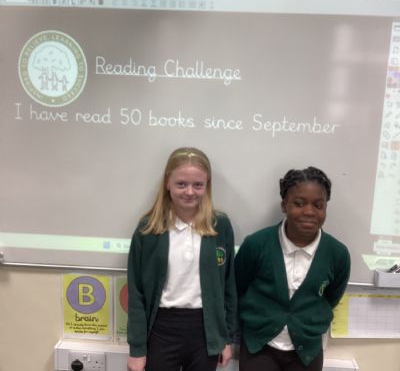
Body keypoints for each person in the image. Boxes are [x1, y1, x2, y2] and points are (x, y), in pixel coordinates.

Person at [127, 147, 237, 371]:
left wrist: (225, 337)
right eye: (181, 184)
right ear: (167, 183)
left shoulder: (220, 225)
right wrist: (137, 349)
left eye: (198, 185)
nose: (189, 192)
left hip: (205, 331)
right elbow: (136, 292)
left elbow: (228, 286)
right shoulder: (148, 229)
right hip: (161, 330)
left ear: (207, 185)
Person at [235, 166, 351, 371]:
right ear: (284, 205)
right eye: (299, 203)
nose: (309, 212)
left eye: (318, 205)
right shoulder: (256, 244)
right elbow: (239, 288)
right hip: (259, 347)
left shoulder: (337, 254)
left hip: (307, 352)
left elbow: (331, 297)